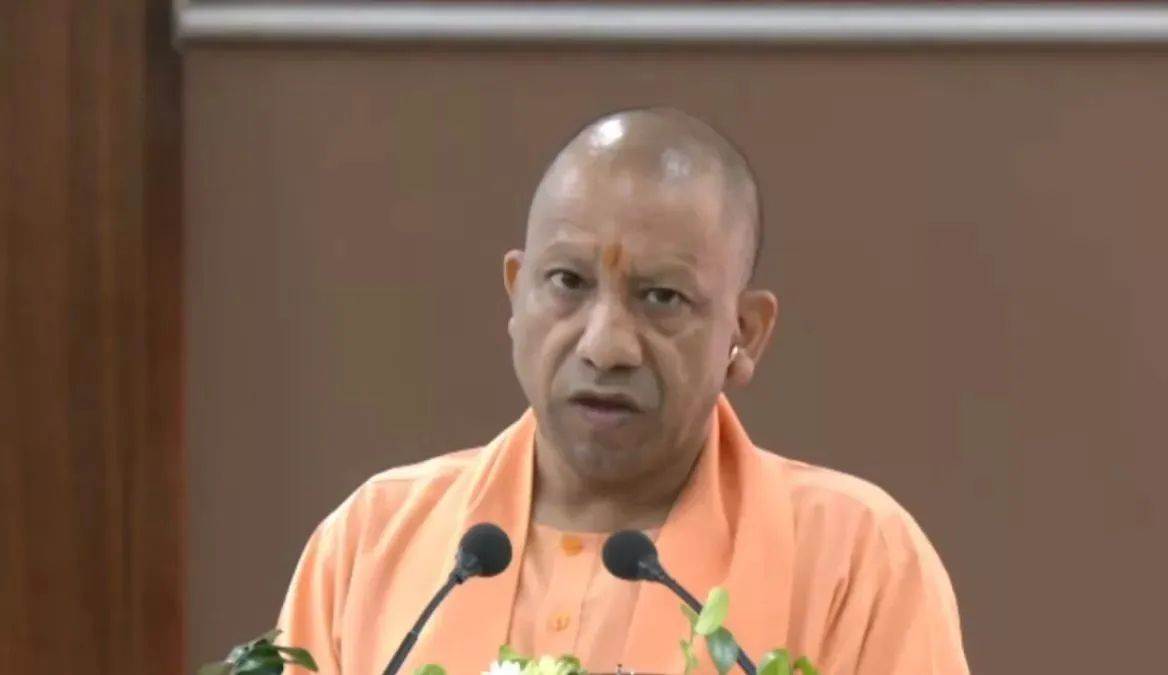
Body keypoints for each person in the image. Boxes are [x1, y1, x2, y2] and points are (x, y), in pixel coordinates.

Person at [278, 108, 969, 675]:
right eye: (568, 283)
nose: (605, 344)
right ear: (516, 295)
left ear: (746, 333)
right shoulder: (373, 540)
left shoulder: (854, 559)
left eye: (661, 296)